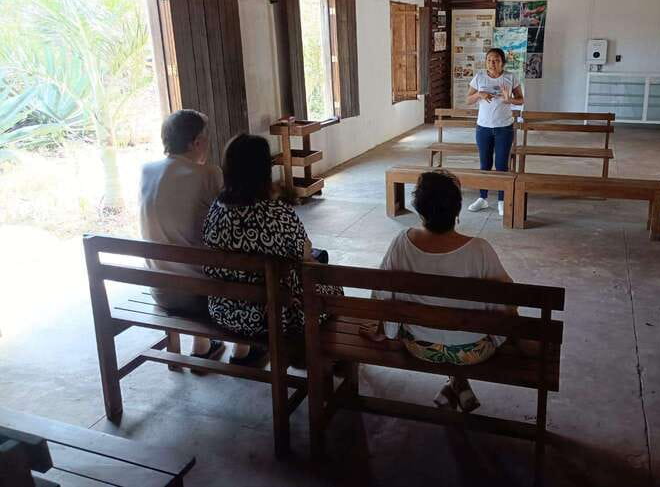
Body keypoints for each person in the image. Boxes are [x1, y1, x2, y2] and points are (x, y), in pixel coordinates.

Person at [373, 170, 515, 412]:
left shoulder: (401, 243)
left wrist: (387, 331)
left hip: (420, 346)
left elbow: (382, 295)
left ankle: (455, 385)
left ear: (419, 209)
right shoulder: (480, 250)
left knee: (441, 336)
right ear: (457, 211)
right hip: (473, 351)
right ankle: (458, 383)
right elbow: (508, 299)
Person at [202, 133, 341, 366]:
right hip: (274, 318)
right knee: (331, 286)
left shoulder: (216, 209)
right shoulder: (275, 214)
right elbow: (303, 254)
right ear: (265, 170)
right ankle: (323, 360)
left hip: (223, 311)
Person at [139, 109, 225, 361]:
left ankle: (203, 345)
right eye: (206, 138)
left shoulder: (147, 171)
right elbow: (225, 228)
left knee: (187, 252)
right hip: (199, 296)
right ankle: (242, 349)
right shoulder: (209, 174)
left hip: (159, 289)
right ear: (196, 142)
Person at [465, 48, 524, 217]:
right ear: (486, 62)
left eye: (496, 60)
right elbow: (468, 100)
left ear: (502, 62)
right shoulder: (479, 77)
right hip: (483, 128)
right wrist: (479, 94)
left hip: (504, 128)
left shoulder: (510, 77)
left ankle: (501, 200)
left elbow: (521, 100)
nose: (492, 63)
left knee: (501, 166)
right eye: (489, 60)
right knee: (484, 164)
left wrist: (509, 99)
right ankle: (482, 198)